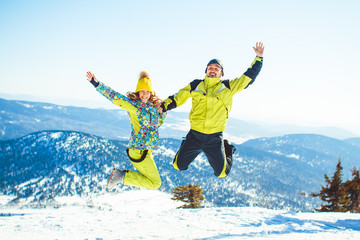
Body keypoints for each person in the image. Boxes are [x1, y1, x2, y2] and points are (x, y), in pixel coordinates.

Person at [160, 42, 265, 178]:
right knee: (178, 166)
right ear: (206, 71)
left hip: (214, 138)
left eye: (216, 68)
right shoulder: (196, 85)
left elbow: (248, 77)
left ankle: (227, 147)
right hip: (194, 135)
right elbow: (178, 97)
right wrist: (163, 106)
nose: (213, 70)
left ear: (221, 73)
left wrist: (259, 58)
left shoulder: (228, 86)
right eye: (210, 68)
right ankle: (185, 144)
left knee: (221, 173)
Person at [86, 70, 166, 190]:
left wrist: (162, 113)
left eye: (147, 91)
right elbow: (114, 96)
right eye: (142, 91)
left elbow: (156, 125)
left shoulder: (153, 108)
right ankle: (121, 176)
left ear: (151, 92)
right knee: (155, 183)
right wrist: (97, 84)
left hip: (147, 151)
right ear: (138, 92)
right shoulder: (134, 106)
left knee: (154, 182)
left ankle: (122, 176)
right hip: (138, 151)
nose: (144, 94)